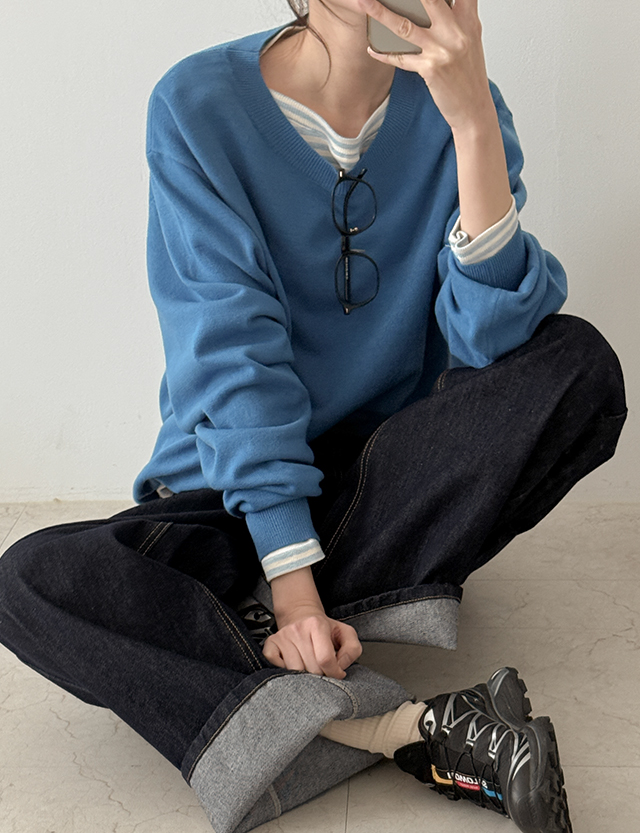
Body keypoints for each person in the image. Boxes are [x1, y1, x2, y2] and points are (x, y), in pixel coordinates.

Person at [0, 1, 627, 831]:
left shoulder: (464, 105)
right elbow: (232, 349)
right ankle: (400, 727)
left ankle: (240, 634)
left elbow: (492, 346)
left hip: (373, 488)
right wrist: (295, 588)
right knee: (30, 579)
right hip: (231, 496)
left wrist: (472, 120)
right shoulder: (198, 106)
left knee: (579, 365)